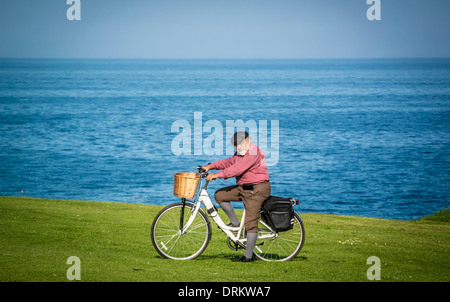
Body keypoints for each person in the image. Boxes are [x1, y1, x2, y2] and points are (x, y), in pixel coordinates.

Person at [202, 131, 270, 262]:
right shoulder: (241, 152)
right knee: (220, 195)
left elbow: (236, 169)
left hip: (257, 190)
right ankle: (235, 223)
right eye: (236, 146)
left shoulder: (254, 152)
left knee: (250, 223)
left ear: (248, 140)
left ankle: (248, 256)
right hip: (244, 188)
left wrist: (217, 175)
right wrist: (210, 166)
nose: (238, 147)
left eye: (240, 144)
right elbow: (229, 162)